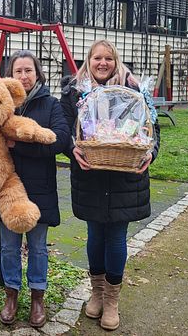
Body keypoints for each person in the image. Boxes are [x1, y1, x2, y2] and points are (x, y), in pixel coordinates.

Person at [60, 39, 160, 331]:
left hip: (125, 176)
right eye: (97, 58)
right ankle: (96, 293)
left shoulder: (134, 91)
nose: (102, 63)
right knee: (94, 234)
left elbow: (153, 131)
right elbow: (66, 129)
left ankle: (112, 301)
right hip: (90, 173)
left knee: (116, 236)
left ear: (116, 61)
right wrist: (72, 148)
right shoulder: (74, 92)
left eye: (108, 58)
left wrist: (149, 154)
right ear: (88, 61)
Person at [0, 50, 70, 328]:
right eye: (17, 71)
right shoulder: (1, 104)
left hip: (39, 189)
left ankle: (37, 297)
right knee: (9, 248)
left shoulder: (51, 104)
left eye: (28, 71)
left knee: (37, 248)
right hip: (5, 187)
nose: (23, 76)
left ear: (38, 74)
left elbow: (59, 141)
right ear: (10, 76)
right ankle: (11, 295)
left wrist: (18, 146)